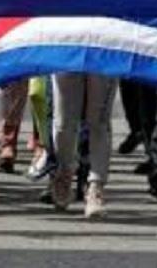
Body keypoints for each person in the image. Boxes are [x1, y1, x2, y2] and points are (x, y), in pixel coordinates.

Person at [51, 72, 117, 218]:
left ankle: (96, 187)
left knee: (99, 122)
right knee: (63, 123)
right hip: (68, 54)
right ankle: (64, 172)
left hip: (102, 55)